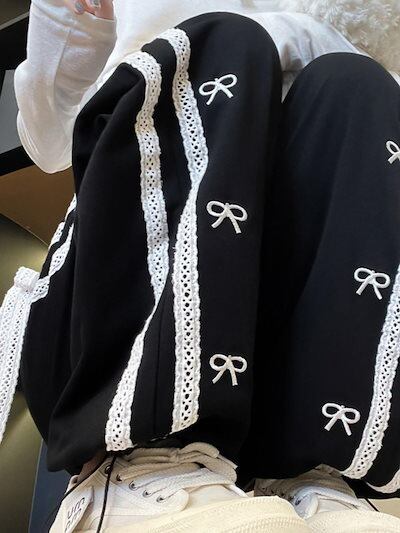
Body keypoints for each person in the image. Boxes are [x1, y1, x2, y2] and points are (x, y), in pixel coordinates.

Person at [1, 0, 400, 531]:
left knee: (357, 85)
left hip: (296, 289)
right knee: (225, 44)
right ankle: (142, 463)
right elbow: (48, 140)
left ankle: (312, 476)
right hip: (139, 283)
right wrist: (77, 27)